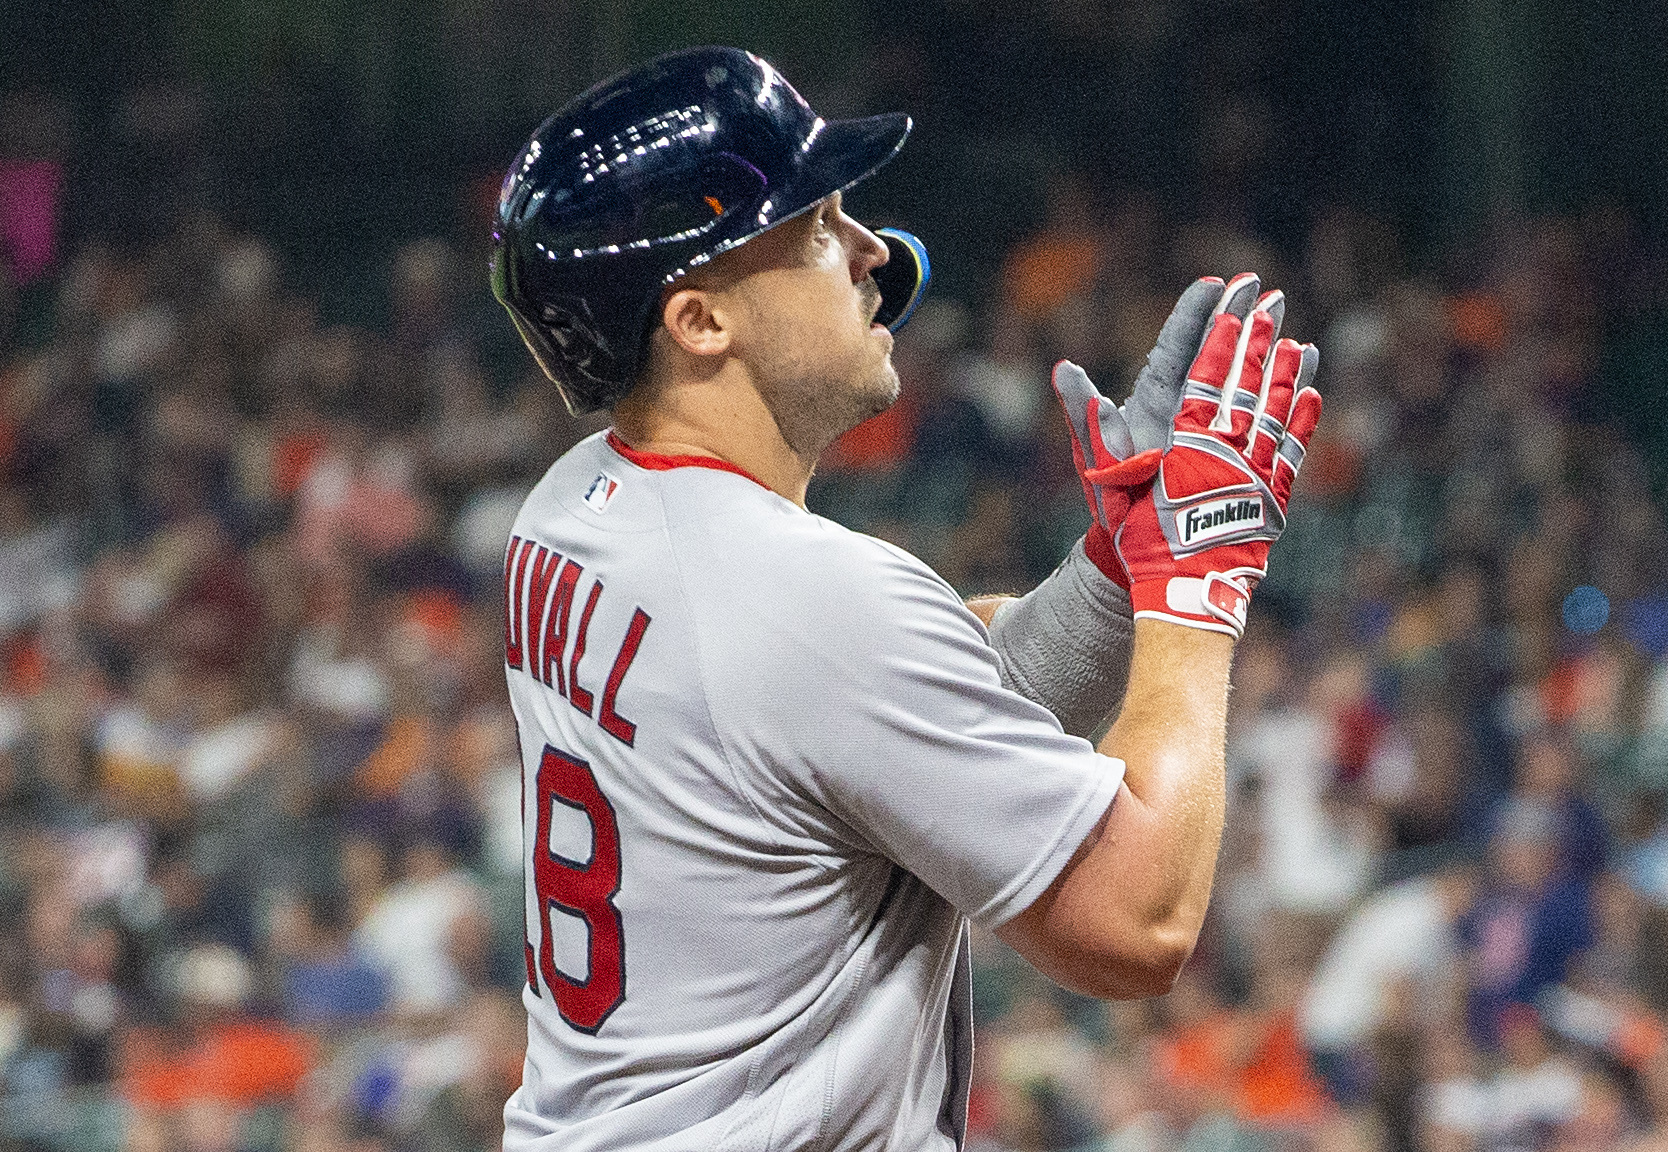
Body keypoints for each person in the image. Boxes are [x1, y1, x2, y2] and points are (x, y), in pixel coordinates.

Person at [487, 46, 1321, 1150]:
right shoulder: (805, 600)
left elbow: (897, 722)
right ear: (698, 322)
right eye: (820, 226)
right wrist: (1198, 570)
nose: (874, 249)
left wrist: (1117, 583)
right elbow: (1138, 921)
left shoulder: (566, 510)